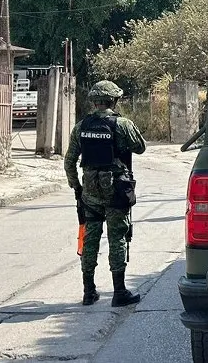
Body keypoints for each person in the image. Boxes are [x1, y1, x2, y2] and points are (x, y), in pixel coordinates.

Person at [64, 80, 147, 307]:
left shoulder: (81, 127)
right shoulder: (122, 124)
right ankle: (119, 292)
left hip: (89, 193)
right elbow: (140, 147)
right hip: (116, 192)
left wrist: (77, 187)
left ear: (94, 101)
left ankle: (88, 292)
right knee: (117, 237)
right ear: (114, 100)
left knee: (90, 239)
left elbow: (69, 161)